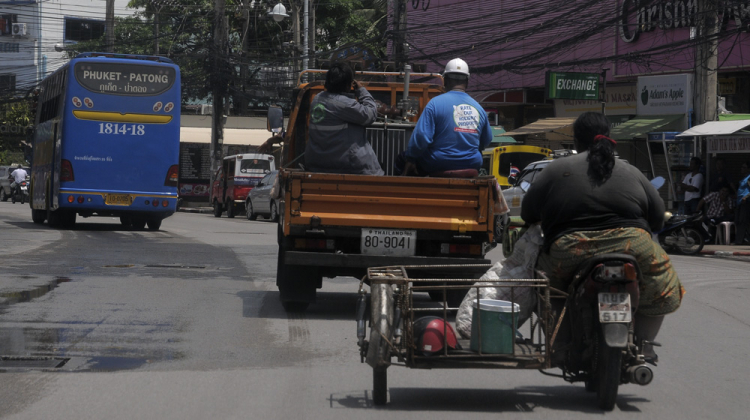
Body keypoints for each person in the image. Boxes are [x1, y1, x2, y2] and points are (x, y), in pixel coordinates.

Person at [522, 111, 684, 364]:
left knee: (544, 287)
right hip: (634, 245)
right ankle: (645, 347)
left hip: (570, 250)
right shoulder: (631, 171)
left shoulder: (556, 169)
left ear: (576, 141)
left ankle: (562, 345)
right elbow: (656, 215)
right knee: (663, 284)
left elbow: (528, 212)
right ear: (608, 137)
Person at [399, 58, 492, 176]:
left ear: (445, 80)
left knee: (401, 159)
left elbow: (421, 137)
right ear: (467, 81)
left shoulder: (435, 104)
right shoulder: (479, 109)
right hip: (471, 164)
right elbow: (487, 140)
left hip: (437, 163)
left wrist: (411, 158)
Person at [303, 62, 382, 175]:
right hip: (347, 166)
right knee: (376, 173)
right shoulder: (345, 104)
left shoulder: (317, 99)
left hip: (316, 164)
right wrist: (361, 90)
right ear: (347, 85)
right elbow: (370, 115)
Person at [734, 162, 750, 245]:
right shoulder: (743, 178)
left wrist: (746, 197)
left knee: (742, 221)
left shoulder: (749, 178)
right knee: (738, 221)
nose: (742, 169)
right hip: (739, 202)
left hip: (745, 202)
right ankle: (743, 239)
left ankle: (739, 241)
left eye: (744, 167)